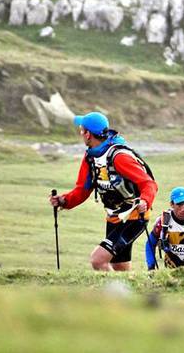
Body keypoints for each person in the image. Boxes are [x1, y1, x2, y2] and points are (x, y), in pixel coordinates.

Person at [49, 112, 158, 271]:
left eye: (81, 130)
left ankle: (112, 294)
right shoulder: (91, 156)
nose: (81, 134)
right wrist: (63, 201)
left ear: (88, 134)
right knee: (119, 267)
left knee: (98, 260)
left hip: (133, 217)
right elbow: (82, 190)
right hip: (113, 218)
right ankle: (127, 294)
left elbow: (149, 183)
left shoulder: (119, 157)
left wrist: (145, 201)